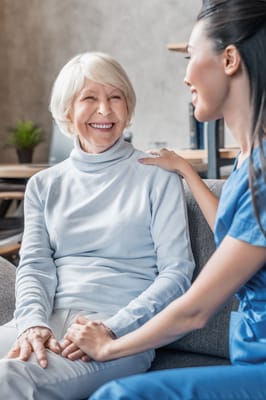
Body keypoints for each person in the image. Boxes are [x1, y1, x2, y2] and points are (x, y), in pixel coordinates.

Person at [62, 2, 266, 399]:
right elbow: (234, 234)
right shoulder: (248, 162)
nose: (186, 76)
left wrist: (110, 345)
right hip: (250, 354)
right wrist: (188, 172)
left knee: (119, 395)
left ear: (229, 58)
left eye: (191, 57)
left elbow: (196, 308)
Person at [0, 52, 195, 399]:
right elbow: (35, 266)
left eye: (115, 97)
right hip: (46, 321)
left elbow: (177, 272)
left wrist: (111, 328)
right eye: (90, 98)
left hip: (119, 334)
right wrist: (32, 323)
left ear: (128, 106)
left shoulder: (157, 176)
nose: (105, 110)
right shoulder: (44, 185)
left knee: (10, 378)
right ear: (67, 111)